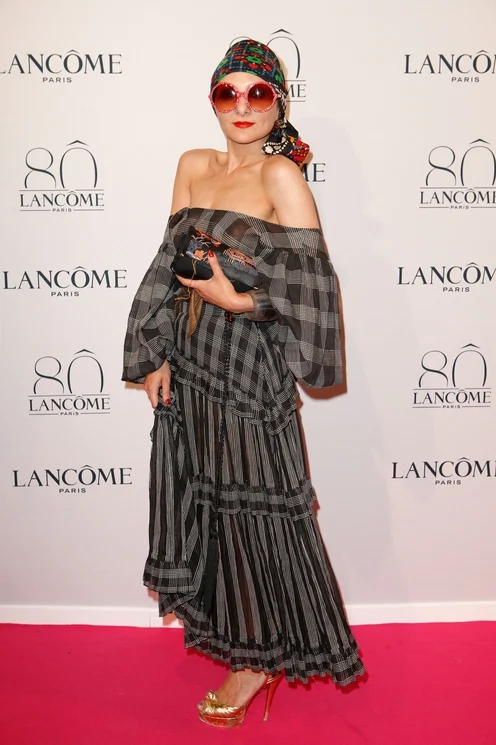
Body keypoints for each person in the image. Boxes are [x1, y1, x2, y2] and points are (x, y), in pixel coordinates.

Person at [122, 38, 365, 728]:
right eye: (227, 92)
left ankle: (258, 660)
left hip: (248, 373)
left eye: (257, 92)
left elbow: (313, 290)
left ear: (279, 102)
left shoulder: (281, 178)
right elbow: (167, 264)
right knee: (213, 509)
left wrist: (239, 300)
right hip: (190, 366)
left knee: (255, 513)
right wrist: (155, 353)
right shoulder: (192, 165)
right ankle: (241, 641)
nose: (242, 106)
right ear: (212, 101)